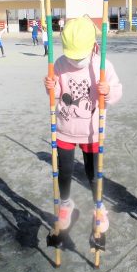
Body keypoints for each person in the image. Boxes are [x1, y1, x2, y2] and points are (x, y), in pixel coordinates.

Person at [43, 17, 123, 233]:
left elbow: (116, 93)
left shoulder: (102, 65)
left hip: (92, 132)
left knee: (94, 172)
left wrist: (107, 91)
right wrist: (50, 86)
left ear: (92, 47)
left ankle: (99, 207)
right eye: (71, 56)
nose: (75, 61)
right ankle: (66, 205)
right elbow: (58, 95)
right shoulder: (58, 64)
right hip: (65, 129)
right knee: (65, 170)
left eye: (80, 56)